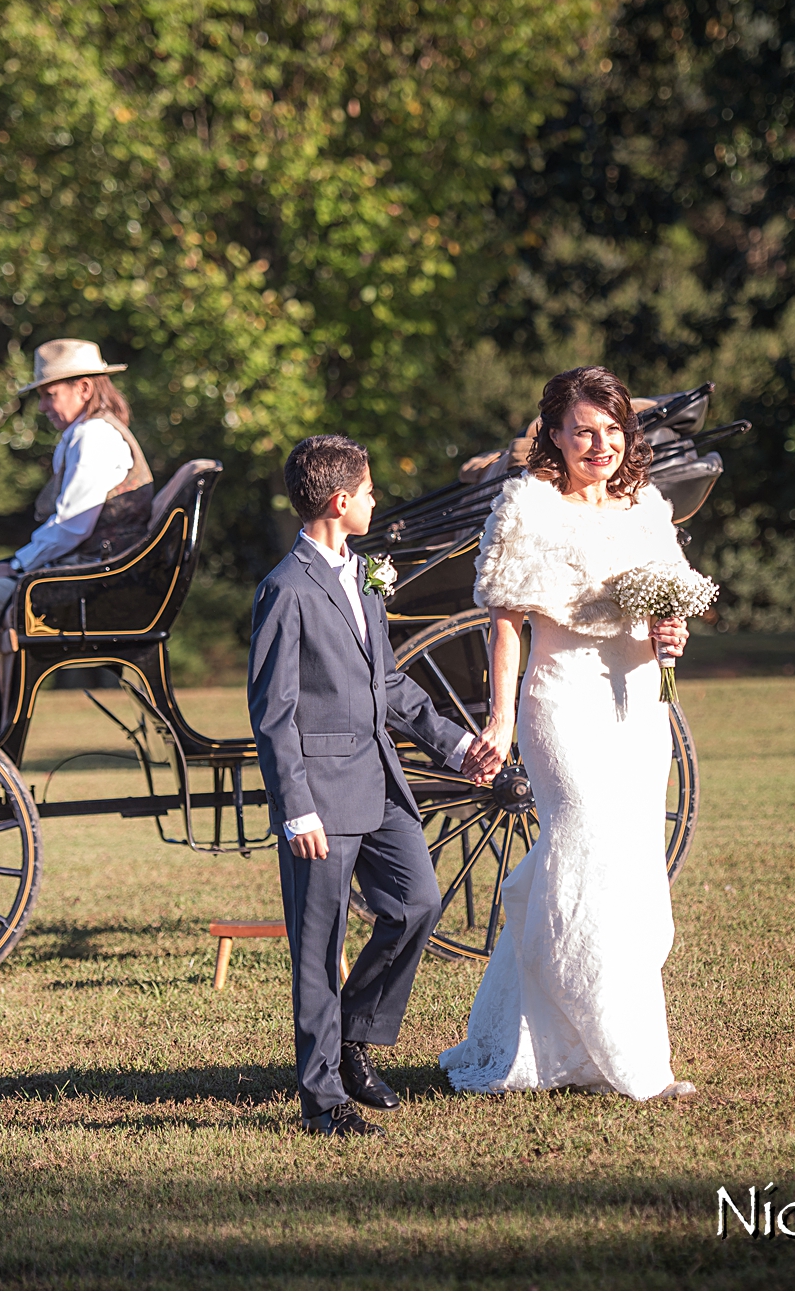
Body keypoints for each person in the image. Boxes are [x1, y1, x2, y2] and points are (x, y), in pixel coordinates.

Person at [440, 365, 697, 1102]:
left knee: (633, 868)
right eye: (583, 430)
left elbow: (669, 602)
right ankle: (631, 1063)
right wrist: (498, 717)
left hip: (638, 703)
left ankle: (549, 1044)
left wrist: (671, 633)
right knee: (581, 849)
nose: (600, 444)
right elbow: (507, 626)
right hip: (561, 702)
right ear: (553, 433)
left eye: (613, 431)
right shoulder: (528, 505)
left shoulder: (646, 507)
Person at [247, 435, 503, 1139]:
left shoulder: (363, 577)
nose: (374, 500)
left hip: (380, 781)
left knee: (418, 902)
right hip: (320, 802)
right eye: (367, 491)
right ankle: (323, 1099)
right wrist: (294, 809)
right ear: (340, 501)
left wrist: (454, 744)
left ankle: (355, 1037)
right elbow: (273, 714)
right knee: (316, 944)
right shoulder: (286, 588)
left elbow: (386, 683)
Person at [0, 338, 155, 720]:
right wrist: (14, 563)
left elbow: (72, 526)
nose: (43, 407)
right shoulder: (85, 435)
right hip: (93, 577)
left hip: (97, 585)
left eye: (50, 395)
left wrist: (16, 566)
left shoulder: (94, 437)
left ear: (83, 388)